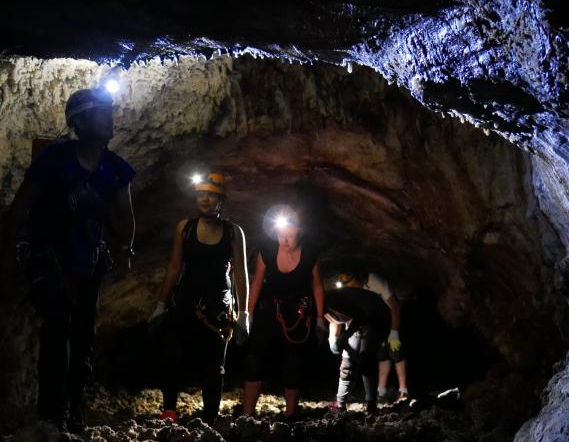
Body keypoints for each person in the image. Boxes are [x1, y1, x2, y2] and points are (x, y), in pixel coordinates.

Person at [2, 87, 135, 430]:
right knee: (56, 330)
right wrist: (8, 247)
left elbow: (125, 216)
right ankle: (50, 413)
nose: (109, 119)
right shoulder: (54, 159)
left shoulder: (116, 168)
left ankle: (74, 409)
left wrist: (124, 250)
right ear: (80, 122)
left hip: (89, 259)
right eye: (101, 113)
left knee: (83, 335)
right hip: (52, 258)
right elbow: (22, 204)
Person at [148, 172, 249, 424]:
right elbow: (174, 267)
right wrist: (161, 304)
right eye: (201, 194)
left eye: (211, 195)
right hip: (186, 301)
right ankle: (169, 410)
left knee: (214, 365)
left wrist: (245, 313)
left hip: (219, 307)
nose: (204, 199)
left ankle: (210, 418)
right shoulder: (186, 228)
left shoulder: (233, 232)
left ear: (220, 200)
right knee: (173, 354)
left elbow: (241, 274)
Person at [242, 205, 325, 419]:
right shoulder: (267, 250)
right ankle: (247, 416)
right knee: (254, 359)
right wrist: (247, 315)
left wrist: (319, 318)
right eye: (279, 232)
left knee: (293, 363)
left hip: (297, 315)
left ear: (300, 231)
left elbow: (317, 286)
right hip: (270, 310)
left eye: (288, 232)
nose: (283, 237)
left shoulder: (310, 254)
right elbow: (257, 282)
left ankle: (290, 416)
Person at [325, 268, 408, 413]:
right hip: (358, 319)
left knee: (367, 358)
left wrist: (394, 332)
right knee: (347, 362)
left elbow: (392, 306)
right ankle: (340, 402)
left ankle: (373, 403)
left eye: (351, 283)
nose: (349, 287)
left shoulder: (373, 283)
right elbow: (335, 318)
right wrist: (333, 337)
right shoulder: (336, 296)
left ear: (358, 278)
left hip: (377, 319)